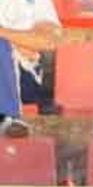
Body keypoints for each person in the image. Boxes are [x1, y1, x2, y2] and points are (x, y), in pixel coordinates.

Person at [0, 0, 61, 137]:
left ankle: (7, 118)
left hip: (23, 77)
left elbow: (48, 40)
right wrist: (21, 44)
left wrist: (3, 36)